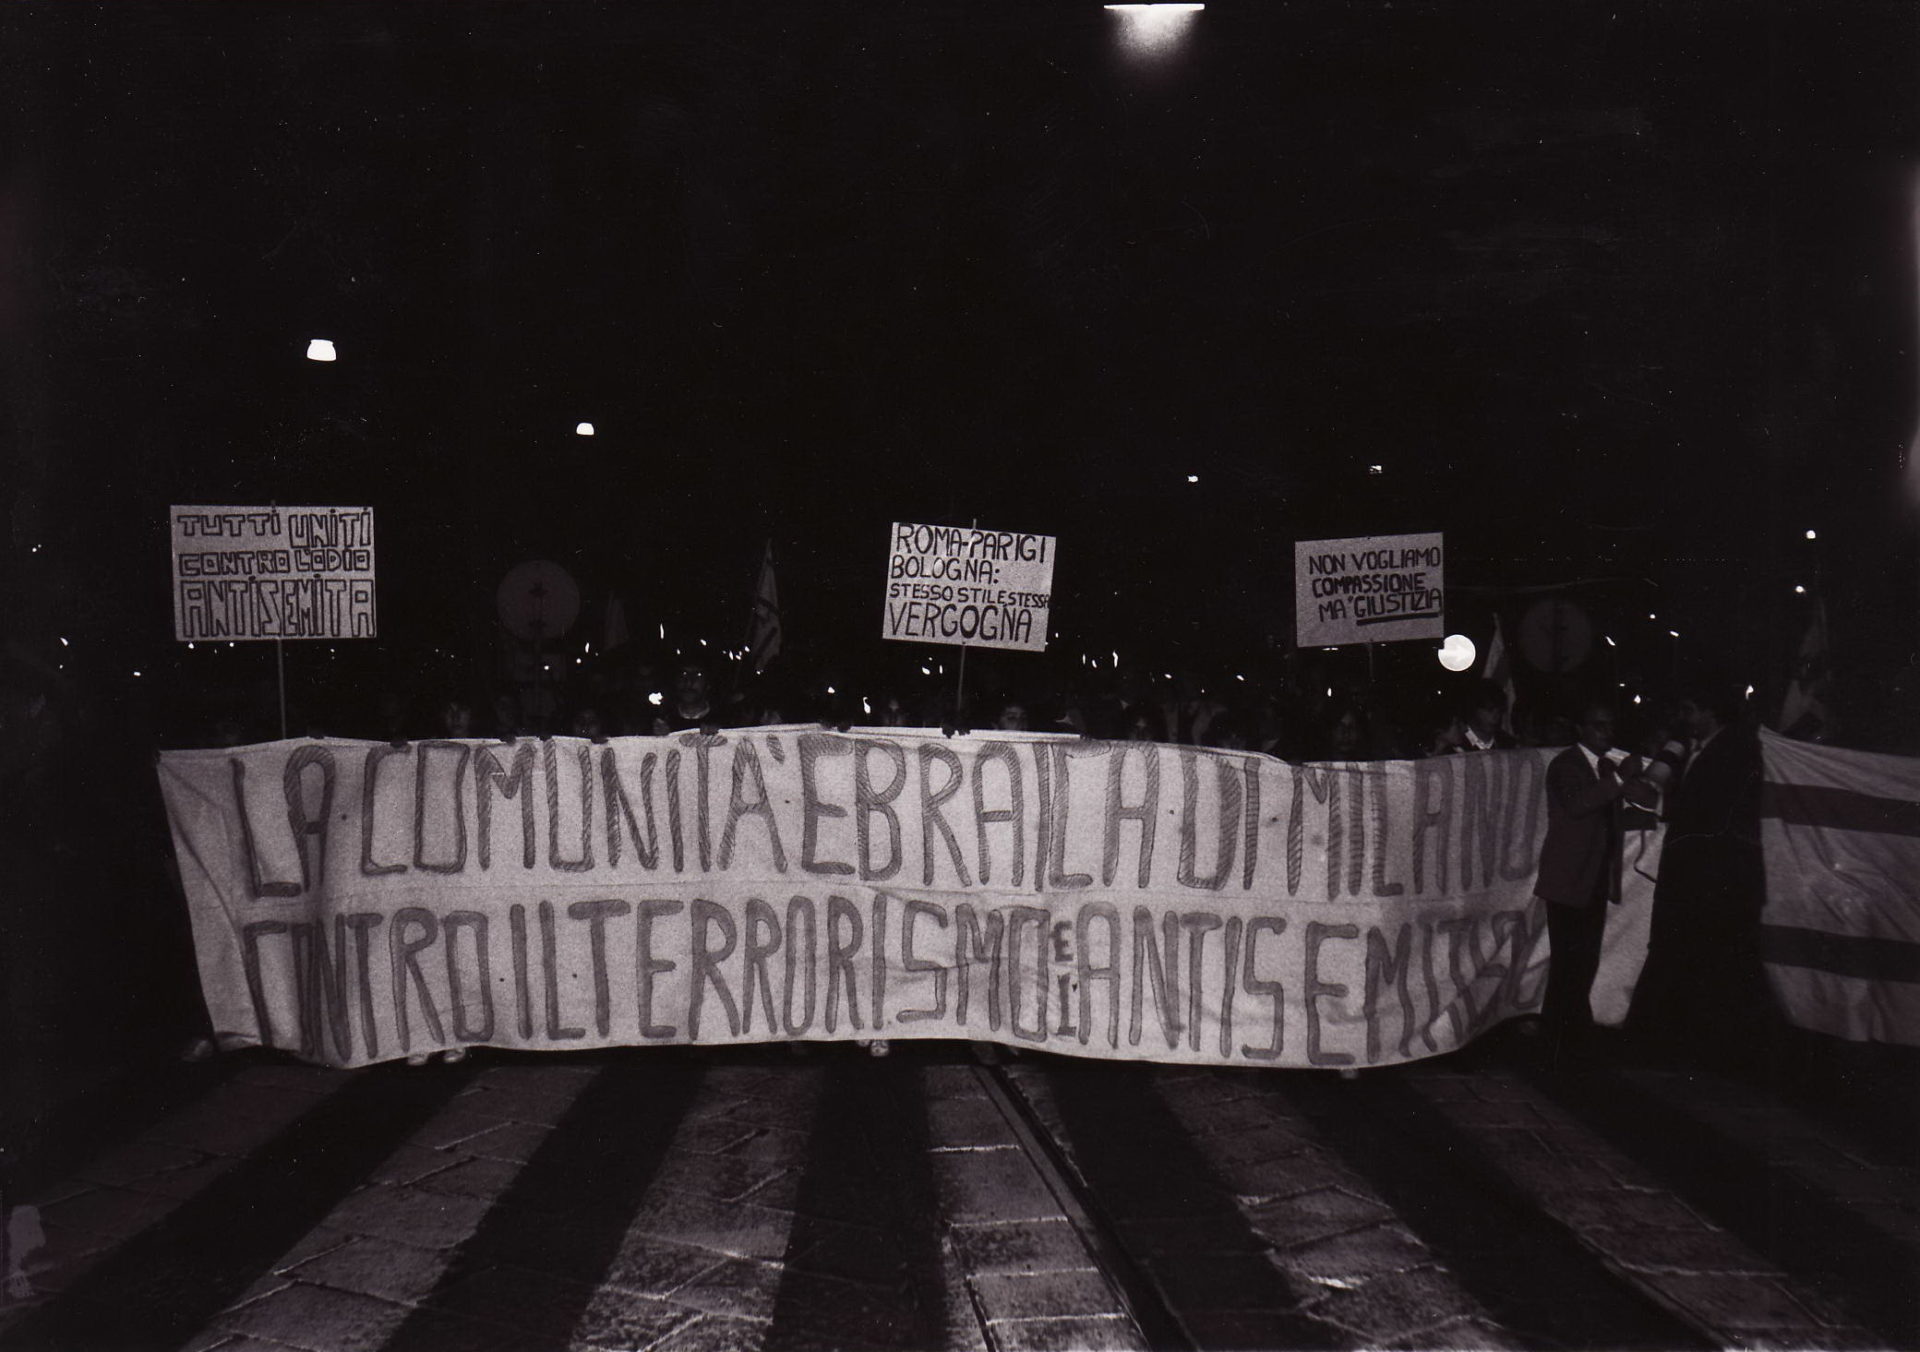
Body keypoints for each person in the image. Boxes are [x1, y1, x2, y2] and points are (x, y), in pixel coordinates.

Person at [1626, 684, 1769, 1071]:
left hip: (1709, 879)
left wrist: (1663, 804)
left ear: (1711, 712)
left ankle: (1667, 1045)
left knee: (1694, 960)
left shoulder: (1733, 751)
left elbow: (1713, 814)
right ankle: (1672, 1045)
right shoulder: (1699, 749)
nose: (1685, 718)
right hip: (1693, 875)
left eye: (1691, 710)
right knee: (1686, 959)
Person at [1533, 703, 1650, 1059]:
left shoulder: (1606, 766)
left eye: (1610, 725)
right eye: (1599, 725)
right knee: (1569, 964)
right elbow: (1578, 805)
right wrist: (1619, 780)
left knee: (1583, 962)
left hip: (1592, 877)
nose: (1607, 732)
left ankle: (1566, 1037)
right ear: (1581, 729)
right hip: (1568, 878)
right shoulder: (1566, 765)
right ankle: (1561, 1040)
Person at [1462, 680, 1515, 752]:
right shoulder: (1457, 743)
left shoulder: (1508, 744)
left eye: (1499, 711)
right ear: (1474, 710)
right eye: (1490, 710)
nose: (1496, 717)